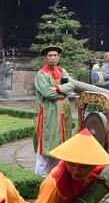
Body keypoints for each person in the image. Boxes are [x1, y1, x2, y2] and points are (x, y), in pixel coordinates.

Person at [31, 45, 79, 176]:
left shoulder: (63, 71)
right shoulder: (41, 75)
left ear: (59, 57)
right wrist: (65, 93)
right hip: (48, 114)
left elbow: (71, 85)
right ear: (45, 58)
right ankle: (40, 177)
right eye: (50, 56)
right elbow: (47, 93)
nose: (53, 58)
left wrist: (58, 88)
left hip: (63, 114)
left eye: (55, 55)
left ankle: (57, 176)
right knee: (46, 143)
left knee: (62, 144)